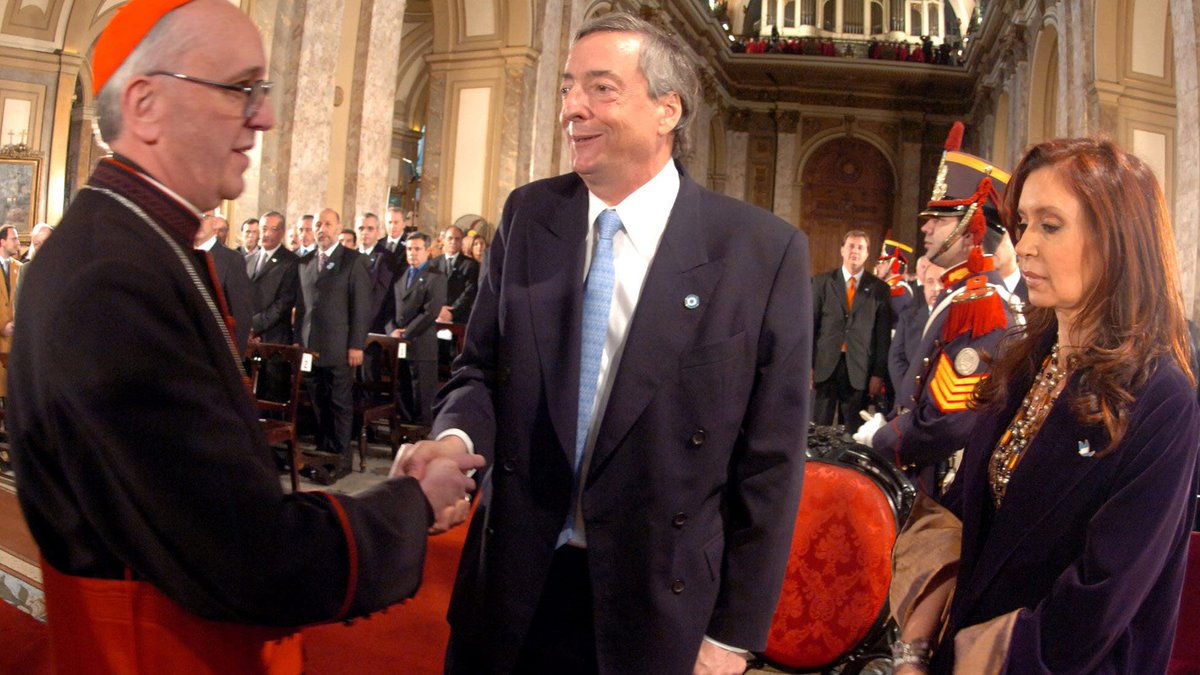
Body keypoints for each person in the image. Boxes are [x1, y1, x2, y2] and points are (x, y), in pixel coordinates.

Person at [7, 1, 481, 671]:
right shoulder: (114, 277)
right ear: (145, 104)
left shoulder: (130, 243)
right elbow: (249, 555)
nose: (264, 117)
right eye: (239, 89)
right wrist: (410, 505)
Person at [393, 13, 811, 675]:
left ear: (667, 109)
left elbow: (771, 463)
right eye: (567, 87)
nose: (572, 107)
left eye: (601, 88)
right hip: (510, 589)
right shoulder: (530, 215)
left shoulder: (759, 252)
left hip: (656, 604)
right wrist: (454, 440)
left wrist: (732, 637)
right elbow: (481, 372)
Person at [889, 138, 1200, 673]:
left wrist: (972, 661)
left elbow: (1100, 598)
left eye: (1050, 225)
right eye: (1023, 224)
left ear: (1115, 240)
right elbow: (961, 512)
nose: (1025, 244)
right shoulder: (1026, 358)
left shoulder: (1161, 396)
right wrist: (915, 648)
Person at [855, 122, 1018, 496]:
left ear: (971, 228)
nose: (926, 228)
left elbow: (947, 423)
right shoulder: (962, 295)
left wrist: (883, 438)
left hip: (939, 483)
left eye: (940, 219)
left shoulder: (981, 305)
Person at [295, 207, 372, 481]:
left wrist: (357, 345)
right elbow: (302, 308)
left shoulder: (353, 260)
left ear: (338, 228)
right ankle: (324, 453)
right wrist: (298, 343)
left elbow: (361, 307)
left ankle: (341, 457)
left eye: (328, 224)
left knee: (339, 404)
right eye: (318, 224)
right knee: (318, 402)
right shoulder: (305, 262)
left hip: (340, 347)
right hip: (310, 347)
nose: (322, 229)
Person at [812, 229, 892, 427]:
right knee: (818, 429)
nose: (855, 251)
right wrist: (808, 365)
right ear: (842, 250)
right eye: (851, 246)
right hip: (825, 367)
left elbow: (882, 336)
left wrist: (878, 374)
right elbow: (811, 327)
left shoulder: (880, 289)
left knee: (852, 432)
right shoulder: (822, 282)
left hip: (859, 370)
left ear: (867, 253)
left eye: (860, 247)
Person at [387, 232, 445, 426]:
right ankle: (404, 429)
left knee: (422, 394)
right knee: (402, 389)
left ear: (427, 251)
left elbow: (430, 312)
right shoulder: (400, 274)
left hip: (421, 343)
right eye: (409, 249)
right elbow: (390, 306)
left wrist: (406, 333)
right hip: (399, 342)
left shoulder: (435, 277)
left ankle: (422, 431)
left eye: (417, 249)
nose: (412, 253)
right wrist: (392, 330)